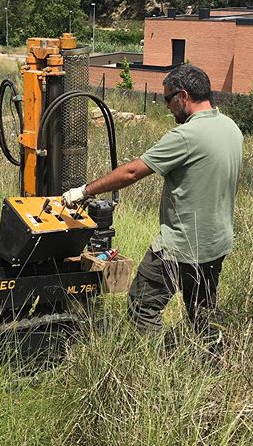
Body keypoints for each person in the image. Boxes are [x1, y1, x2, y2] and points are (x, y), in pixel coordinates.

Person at [62, 65, 243, 347]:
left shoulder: (186, 136)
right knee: (202, 311)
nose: (167, 107)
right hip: (216, 243)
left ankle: (160, 368)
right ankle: (210, 358)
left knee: (142, 307)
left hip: (180, 246)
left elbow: (132, 172)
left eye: (168, 99)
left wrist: (83, 192)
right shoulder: (230, 127)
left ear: (183, 96)